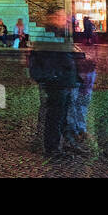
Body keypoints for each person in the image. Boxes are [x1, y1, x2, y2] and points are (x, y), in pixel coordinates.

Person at [28, 10, 80, 157]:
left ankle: (62, 143)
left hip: (62, 80)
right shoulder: (48, 35)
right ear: (53, 18)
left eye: (65, 16)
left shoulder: (62, 33)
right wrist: (56, 75)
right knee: (54, 115)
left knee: (61, 114)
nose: (65, 19)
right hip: (55, 80)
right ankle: (52, 147)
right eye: (61, 16)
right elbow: (48, 58)